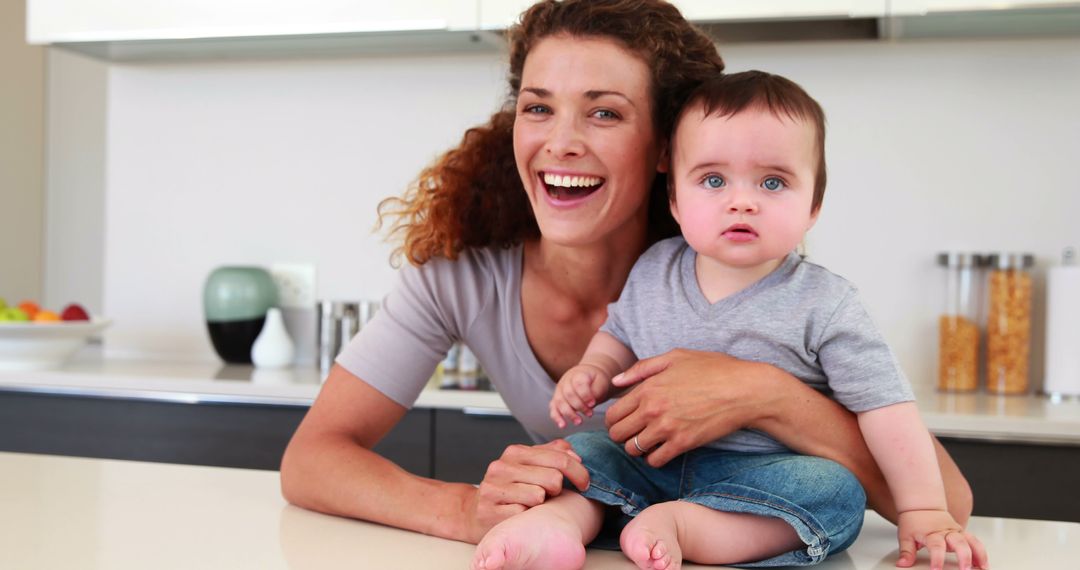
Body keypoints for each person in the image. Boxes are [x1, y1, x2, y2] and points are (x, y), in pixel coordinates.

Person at [280, 0, 973, 557]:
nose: (561, 142)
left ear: (667, 151)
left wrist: (766, 396)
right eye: (537, 105)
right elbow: (312, 459)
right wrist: (471, 510)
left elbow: (950, 500)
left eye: (605, 111)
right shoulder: (460, 282)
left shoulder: (748, 278)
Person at [470, 71, 990, 570]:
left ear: (814, 206)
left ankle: (685, 528)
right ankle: (556, 529)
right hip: (645, 460)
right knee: (581, 453)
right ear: (674, 197)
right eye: (713, 180)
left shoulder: (827, 303)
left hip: (765, 477)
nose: (742, 201)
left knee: (836, 493)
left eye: (773, 182)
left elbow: (887, 412)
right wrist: (592, 371)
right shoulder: (654, 269)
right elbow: (619, 336)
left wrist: (924, 508)